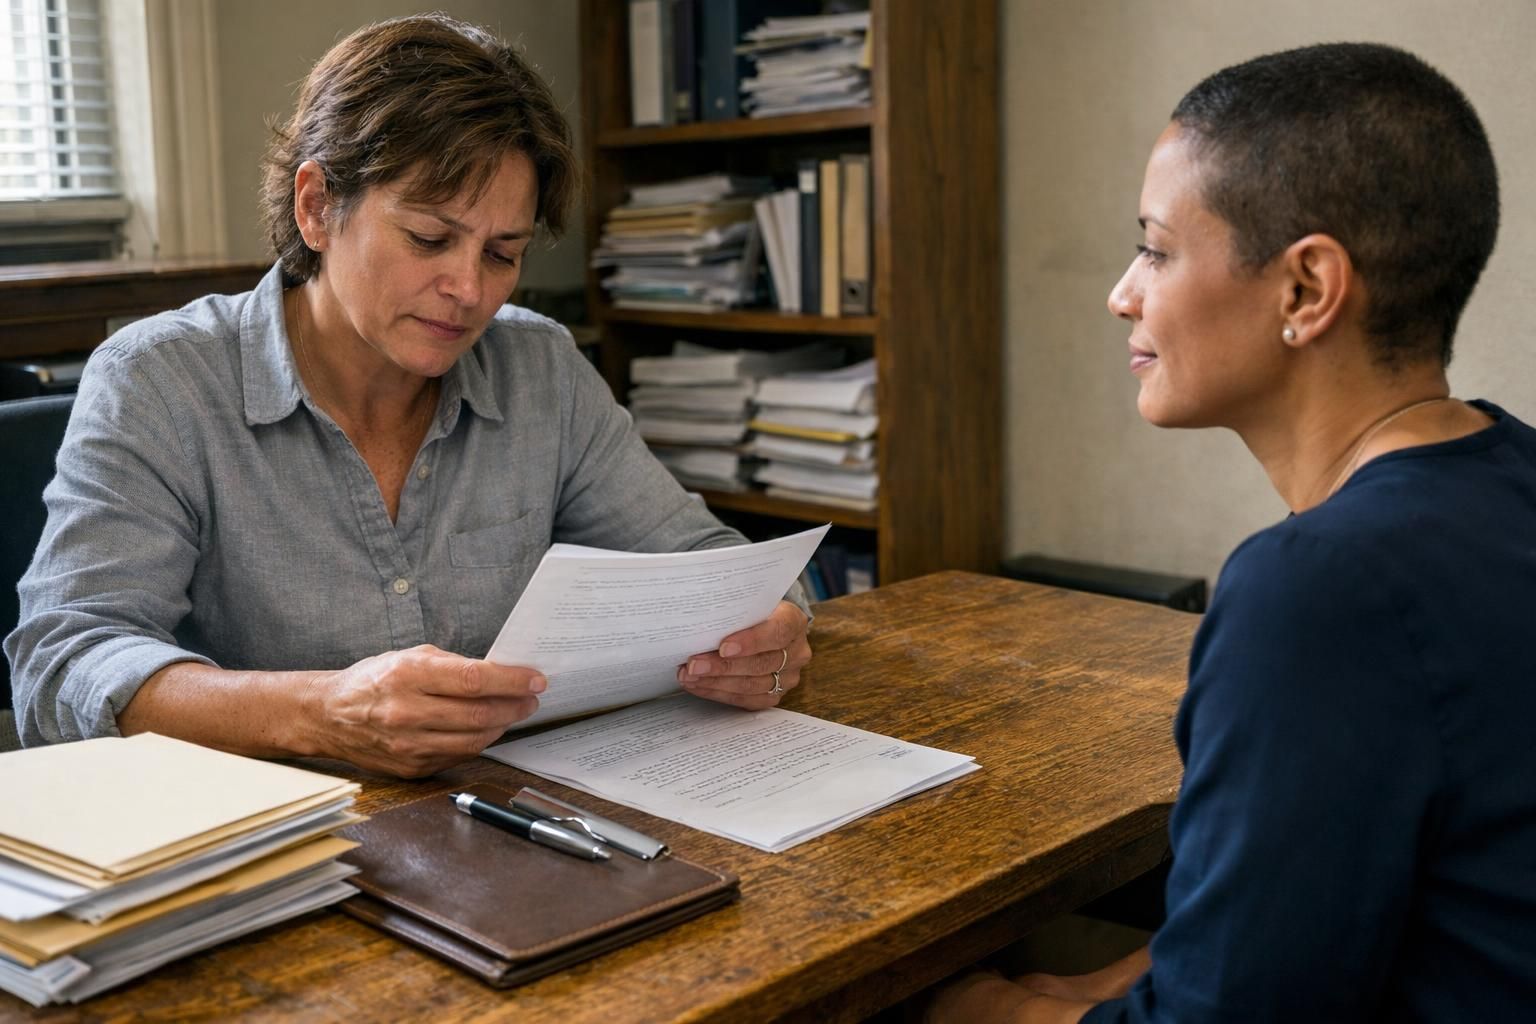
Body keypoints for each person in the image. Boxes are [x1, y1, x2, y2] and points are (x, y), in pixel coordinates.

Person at [4, 14, 810, 779]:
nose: (467, 290)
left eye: (502, 252)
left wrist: (771, 629)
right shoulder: (160, 381)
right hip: (267, 854)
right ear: (317, 206)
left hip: (505, 822)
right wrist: (324, 710)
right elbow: (63, 663)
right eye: (429, 239)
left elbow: (710, 564)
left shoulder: (538, 367)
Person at [928, 42, 1536, 1023]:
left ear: (1305, 290)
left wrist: (981, 1010)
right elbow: (1348, 916)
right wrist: (1080, 992)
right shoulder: (1513, 466)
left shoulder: (1318, 588)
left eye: (1158, 248)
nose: (1122, 292)